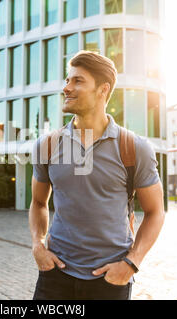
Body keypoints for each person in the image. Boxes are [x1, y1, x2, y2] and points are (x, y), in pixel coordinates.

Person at [29, 51, 165, 300]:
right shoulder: (46, 146)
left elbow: (156, 212)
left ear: (103, 90)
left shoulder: (134, 148)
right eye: (67, 80)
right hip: (55, 275)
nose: (67, 88)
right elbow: (38, 203)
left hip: (110, 280)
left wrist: (131, 264)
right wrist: (38, 245)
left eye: (77, 81)